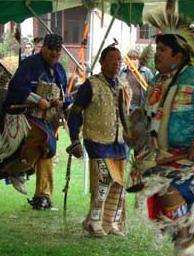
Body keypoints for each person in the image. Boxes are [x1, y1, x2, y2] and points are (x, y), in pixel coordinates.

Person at [130, 12, 194, 255]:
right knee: (180, 222)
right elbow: (149, 117)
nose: (157, 54)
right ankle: (187, 244)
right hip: (167, 159)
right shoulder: (157, 82)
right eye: (157, 48)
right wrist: (137, 131)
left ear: (178, 54)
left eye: (162, 49)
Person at [66, 45, 129, 237]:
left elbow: (125, 116)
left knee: (118, 184)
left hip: (118, 142)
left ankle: (111, 222)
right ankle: (94, 221)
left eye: (119, 59)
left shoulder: (121, 86)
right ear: (102, 62)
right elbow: (74, 113)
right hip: (97, 141)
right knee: (102, 182)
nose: (116, 63)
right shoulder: (91, 84)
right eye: (112, 59)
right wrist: (74, 140)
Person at [1, 34, 67, 209]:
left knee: (47, 151)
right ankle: (18, 168)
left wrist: (59, 101)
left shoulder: (60, 69)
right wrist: (37, 100)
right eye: (51, 50)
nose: (54, 54)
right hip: (26, 115)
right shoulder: (30, 64)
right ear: (43, 48)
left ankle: (42, 196)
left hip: (50, 119)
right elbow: (16, 87)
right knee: (46, 142)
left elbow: (63, 92)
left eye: (58, 51)